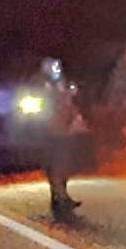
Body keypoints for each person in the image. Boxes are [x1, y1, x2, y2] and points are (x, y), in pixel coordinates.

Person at [37, 57, 86, 215]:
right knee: (57, 166)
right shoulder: (45, 85)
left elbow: (68, 103)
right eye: (53, 67)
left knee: (63, 166)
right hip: (55, 131)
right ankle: (59, 199)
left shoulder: (60, 83)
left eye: (57, 66)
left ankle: (61, 197)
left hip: (65, 129)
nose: (57, 69)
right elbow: (52, 104)